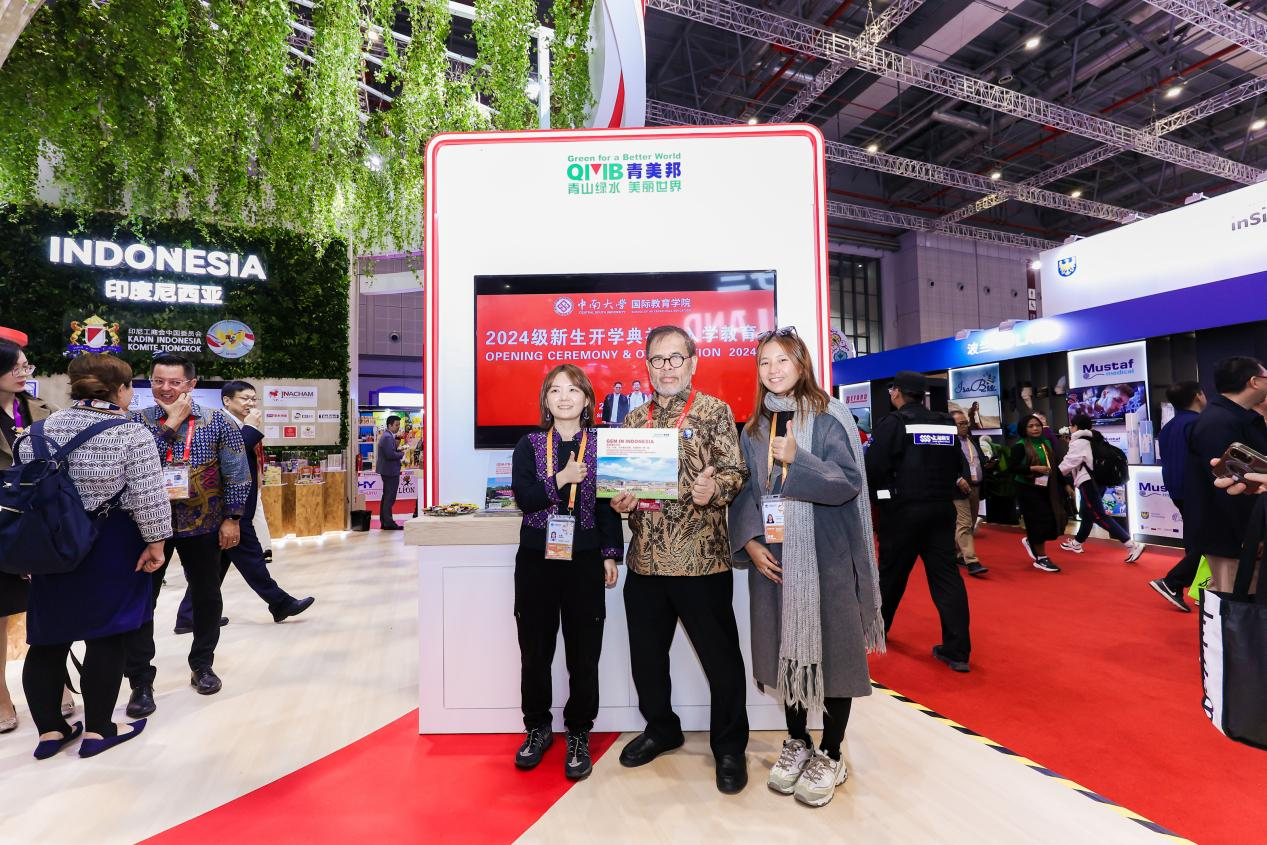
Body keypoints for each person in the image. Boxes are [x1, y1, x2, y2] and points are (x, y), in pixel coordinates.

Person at [729, 327, 882, 808]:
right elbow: (747, 492)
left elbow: (848, 483)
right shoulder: (754, 428)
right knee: (784, 650)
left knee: (834, 653)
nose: (773, 370)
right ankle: (797, 741)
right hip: (774, 560)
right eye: (764, 362)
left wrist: (800, 460)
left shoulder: (830, 416)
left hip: (825, 557)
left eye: (782, 360)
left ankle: (831, 753)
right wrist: (750, 542)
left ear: (802, 364)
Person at [609, 325, 750, 794]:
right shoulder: (633, 420)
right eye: (657, 359)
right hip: (646, 561)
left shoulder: (714, 411)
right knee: (647, 659)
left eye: (675, 358)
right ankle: (662, 728)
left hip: (701, 561)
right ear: (647, 365)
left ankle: (729, 747)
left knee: (721, 661)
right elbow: (622, 486)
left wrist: (716, 488)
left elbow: (736, 471)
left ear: (693, 362)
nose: (666, 367)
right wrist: (621, 501)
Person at [16, 353, 171, 758]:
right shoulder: (131, 433)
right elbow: (149, 497)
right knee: (107, 636)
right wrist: (156, 543)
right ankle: (99, 731)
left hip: (48, 546)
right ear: (121, 389)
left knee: (47, 640)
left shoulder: (34, 432)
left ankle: (50, 733)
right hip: (110, 543)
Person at [509, 365, 621, 780]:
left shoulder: (602, 445)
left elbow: (608, 504)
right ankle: (537, 728)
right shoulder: (529, 444)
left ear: (587, 399)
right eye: (555, 390)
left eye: (572, 390)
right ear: (546, 400)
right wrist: (562, 478)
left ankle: (578, 732)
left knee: (584, 652)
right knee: (535, 651)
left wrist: (609, 554)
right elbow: (525, 499)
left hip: (584, 560)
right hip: (536, 559)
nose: (564, 397)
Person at [124, 353, 250, 716]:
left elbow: (237, 472)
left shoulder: (217, 421)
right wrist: (173, 422)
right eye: (158, 381)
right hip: (149, 528)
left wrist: (233, 518)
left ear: (191, 384)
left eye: (174, 382)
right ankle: (140, 680)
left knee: (207, 596)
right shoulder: (136, 421)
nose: (165, 388)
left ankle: (203, 664)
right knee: (141, 601)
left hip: (204, 524)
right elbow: (134, 465)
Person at [173, 381, 313, 633]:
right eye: (245, 398)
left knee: (214, 567)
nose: (250, 403)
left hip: (235, 508)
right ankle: (280, 603)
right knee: (251, 559)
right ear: (227, 401)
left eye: (253, 399)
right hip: (228, 510)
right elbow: (230, 456)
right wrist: (250, 428)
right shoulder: (217, 422)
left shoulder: (238, 423)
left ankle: (189, 616)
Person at [866, 371, 971, 672]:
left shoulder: (893, 423)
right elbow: (957, 464)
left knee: (891, 575)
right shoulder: (944, 423)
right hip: (942, 510)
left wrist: (882, 498)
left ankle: (877, 633)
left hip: (904, 512)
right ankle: (957, 651)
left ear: (897, 392)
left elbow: (873, 467)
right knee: (947, 579)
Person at [0, 338, 74, 734]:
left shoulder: (42, 410)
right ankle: (1, 696)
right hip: (2, 525)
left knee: (47, 608)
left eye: (27, 367)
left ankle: (54, 683)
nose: (24, 374)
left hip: (42, 523)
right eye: (17, 367)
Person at [1183, 357, 1267, 593]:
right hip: (1232, 537)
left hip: (1243, 533)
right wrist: (1252, 534)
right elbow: (1227, 487)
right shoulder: (1219, 422)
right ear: (1254, 381)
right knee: (1235, 600)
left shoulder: (1238, 417)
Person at [1149, 381, 1207, 612]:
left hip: (1177, 490)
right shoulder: (1197, 424)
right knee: (1212, 540)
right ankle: (1173, 582)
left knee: (1194, 539)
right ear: (1198, 396)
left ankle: (1194, 587)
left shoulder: (1168, 427)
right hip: (1197, 490)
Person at [1058, 414, 1145, 562]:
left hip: (1088, 482)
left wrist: (1053, 474)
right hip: (1100, 481)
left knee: (1098, 515)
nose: (1070, 428)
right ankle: (1077, 543)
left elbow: (1068, 464)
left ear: (1075, 427)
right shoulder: (1095, 438)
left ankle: (1131, 545)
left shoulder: (1079, 442)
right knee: (1087, 513)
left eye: (1071, 426)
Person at [1011, 413, 1066, 573]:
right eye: (1031, 426)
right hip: (1026, 488)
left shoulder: (1046, 443)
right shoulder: (1020, 446)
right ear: (1024, 429)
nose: (1035, 428)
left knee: (1050, 519)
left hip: (1046, 487)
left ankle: (1032, 541)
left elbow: (1054, 466)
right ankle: (1041, 558)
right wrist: (1033, 468)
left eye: (1037, 425)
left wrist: (1066, 485)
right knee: (1037, 521)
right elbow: (1012, 468)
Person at [952, 411, 989, 577]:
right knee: (965, 523)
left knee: (971, 522)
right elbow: (944, 465)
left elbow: (977, 461)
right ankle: (972, 561)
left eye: (965, 422)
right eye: (960, 423)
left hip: (975, 487)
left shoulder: (971, 440)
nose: (964, 426)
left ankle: (957, 554)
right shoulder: (948, 443)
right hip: (958, 489)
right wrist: (957, 478)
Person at [377, 416, 406, 530]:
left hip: (388, 470)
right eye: (396, 425)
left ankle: (385, 522)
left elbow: (390, 452)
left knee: (386, 497)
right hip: (390, 471)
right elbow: (390, 455)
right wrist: (401, 454)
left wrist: (397, 450)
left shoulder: (387, 436)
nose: (398, 427)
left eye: (399, 425)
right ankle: (388, 523)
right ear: (390, 425)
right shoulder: (388, 437)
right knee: (389, 498)